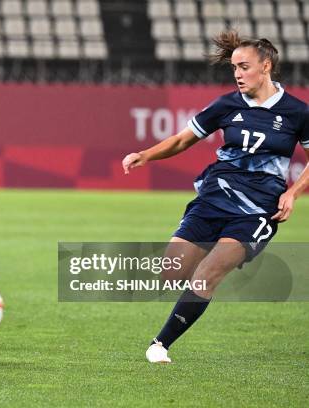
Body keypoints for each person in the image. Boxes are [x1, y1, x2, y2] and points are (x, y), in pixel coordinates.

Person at [122, 31, 309, 363]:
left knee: (208, 274)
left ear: (266, 66)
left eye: (244, 66)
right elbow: (182, 139)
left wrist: (293, 193)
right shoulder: (226, 105)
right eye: (234, 67)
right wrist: (145, 154)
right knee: (171, 272)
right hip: (213, 198)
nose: (237, 73)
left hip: (257, 210)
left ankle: (160, 345)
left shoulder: (297, 112)